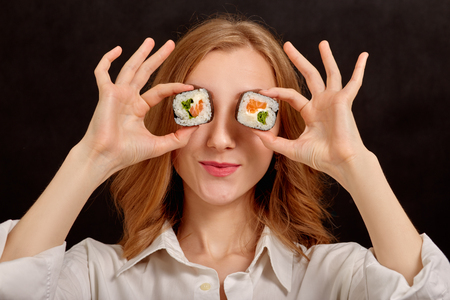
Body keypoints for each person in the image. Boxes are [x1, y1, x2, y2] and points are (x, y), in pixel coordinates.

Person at [0, 14, 448, 300]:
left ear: (281, 125)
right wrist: (91, 156)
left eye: (252, 110)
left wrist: (355, 162)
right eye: (196, 105)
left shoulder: (339, 277)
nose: (220, 139)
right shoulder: (96, 276)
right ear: (165, 117)